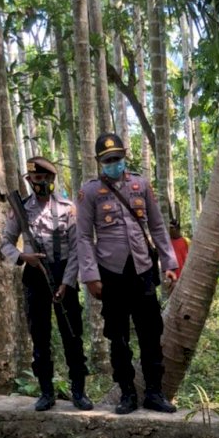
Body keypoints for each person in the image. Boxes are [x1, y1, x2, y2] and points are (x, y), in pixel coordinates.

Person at [77, 133, 179, 415]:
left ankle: (155, 393)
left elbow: (158, 227)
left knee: (150, 333)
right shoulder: (90, 192)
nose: (114, 164)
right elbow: (84, 236)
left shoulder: (141, 185)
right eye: (108, 160)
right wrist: (90, 275)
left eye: (118, 159)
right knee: (118, 336)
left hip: (143, 269)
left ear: (125, 157)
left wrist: (169, 264)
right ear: (100, 163)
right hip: (111, 273)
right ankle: (127, 394)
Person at [2, 156, 92, 412]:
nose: (40, 183)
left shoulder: (67, 208)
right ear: (29, 181)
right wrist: (22, 257)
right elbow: (5, 242)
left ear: (52, 180)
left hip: (63, 273)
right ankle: (46, 392)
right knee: (40, 337)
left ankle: (79, 391)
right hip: (34, 275)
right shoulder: (21, 208)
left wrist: (66, 282)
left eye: (45, 178)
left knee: (72, 336)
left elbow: (76, 249)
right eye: (36, 179)